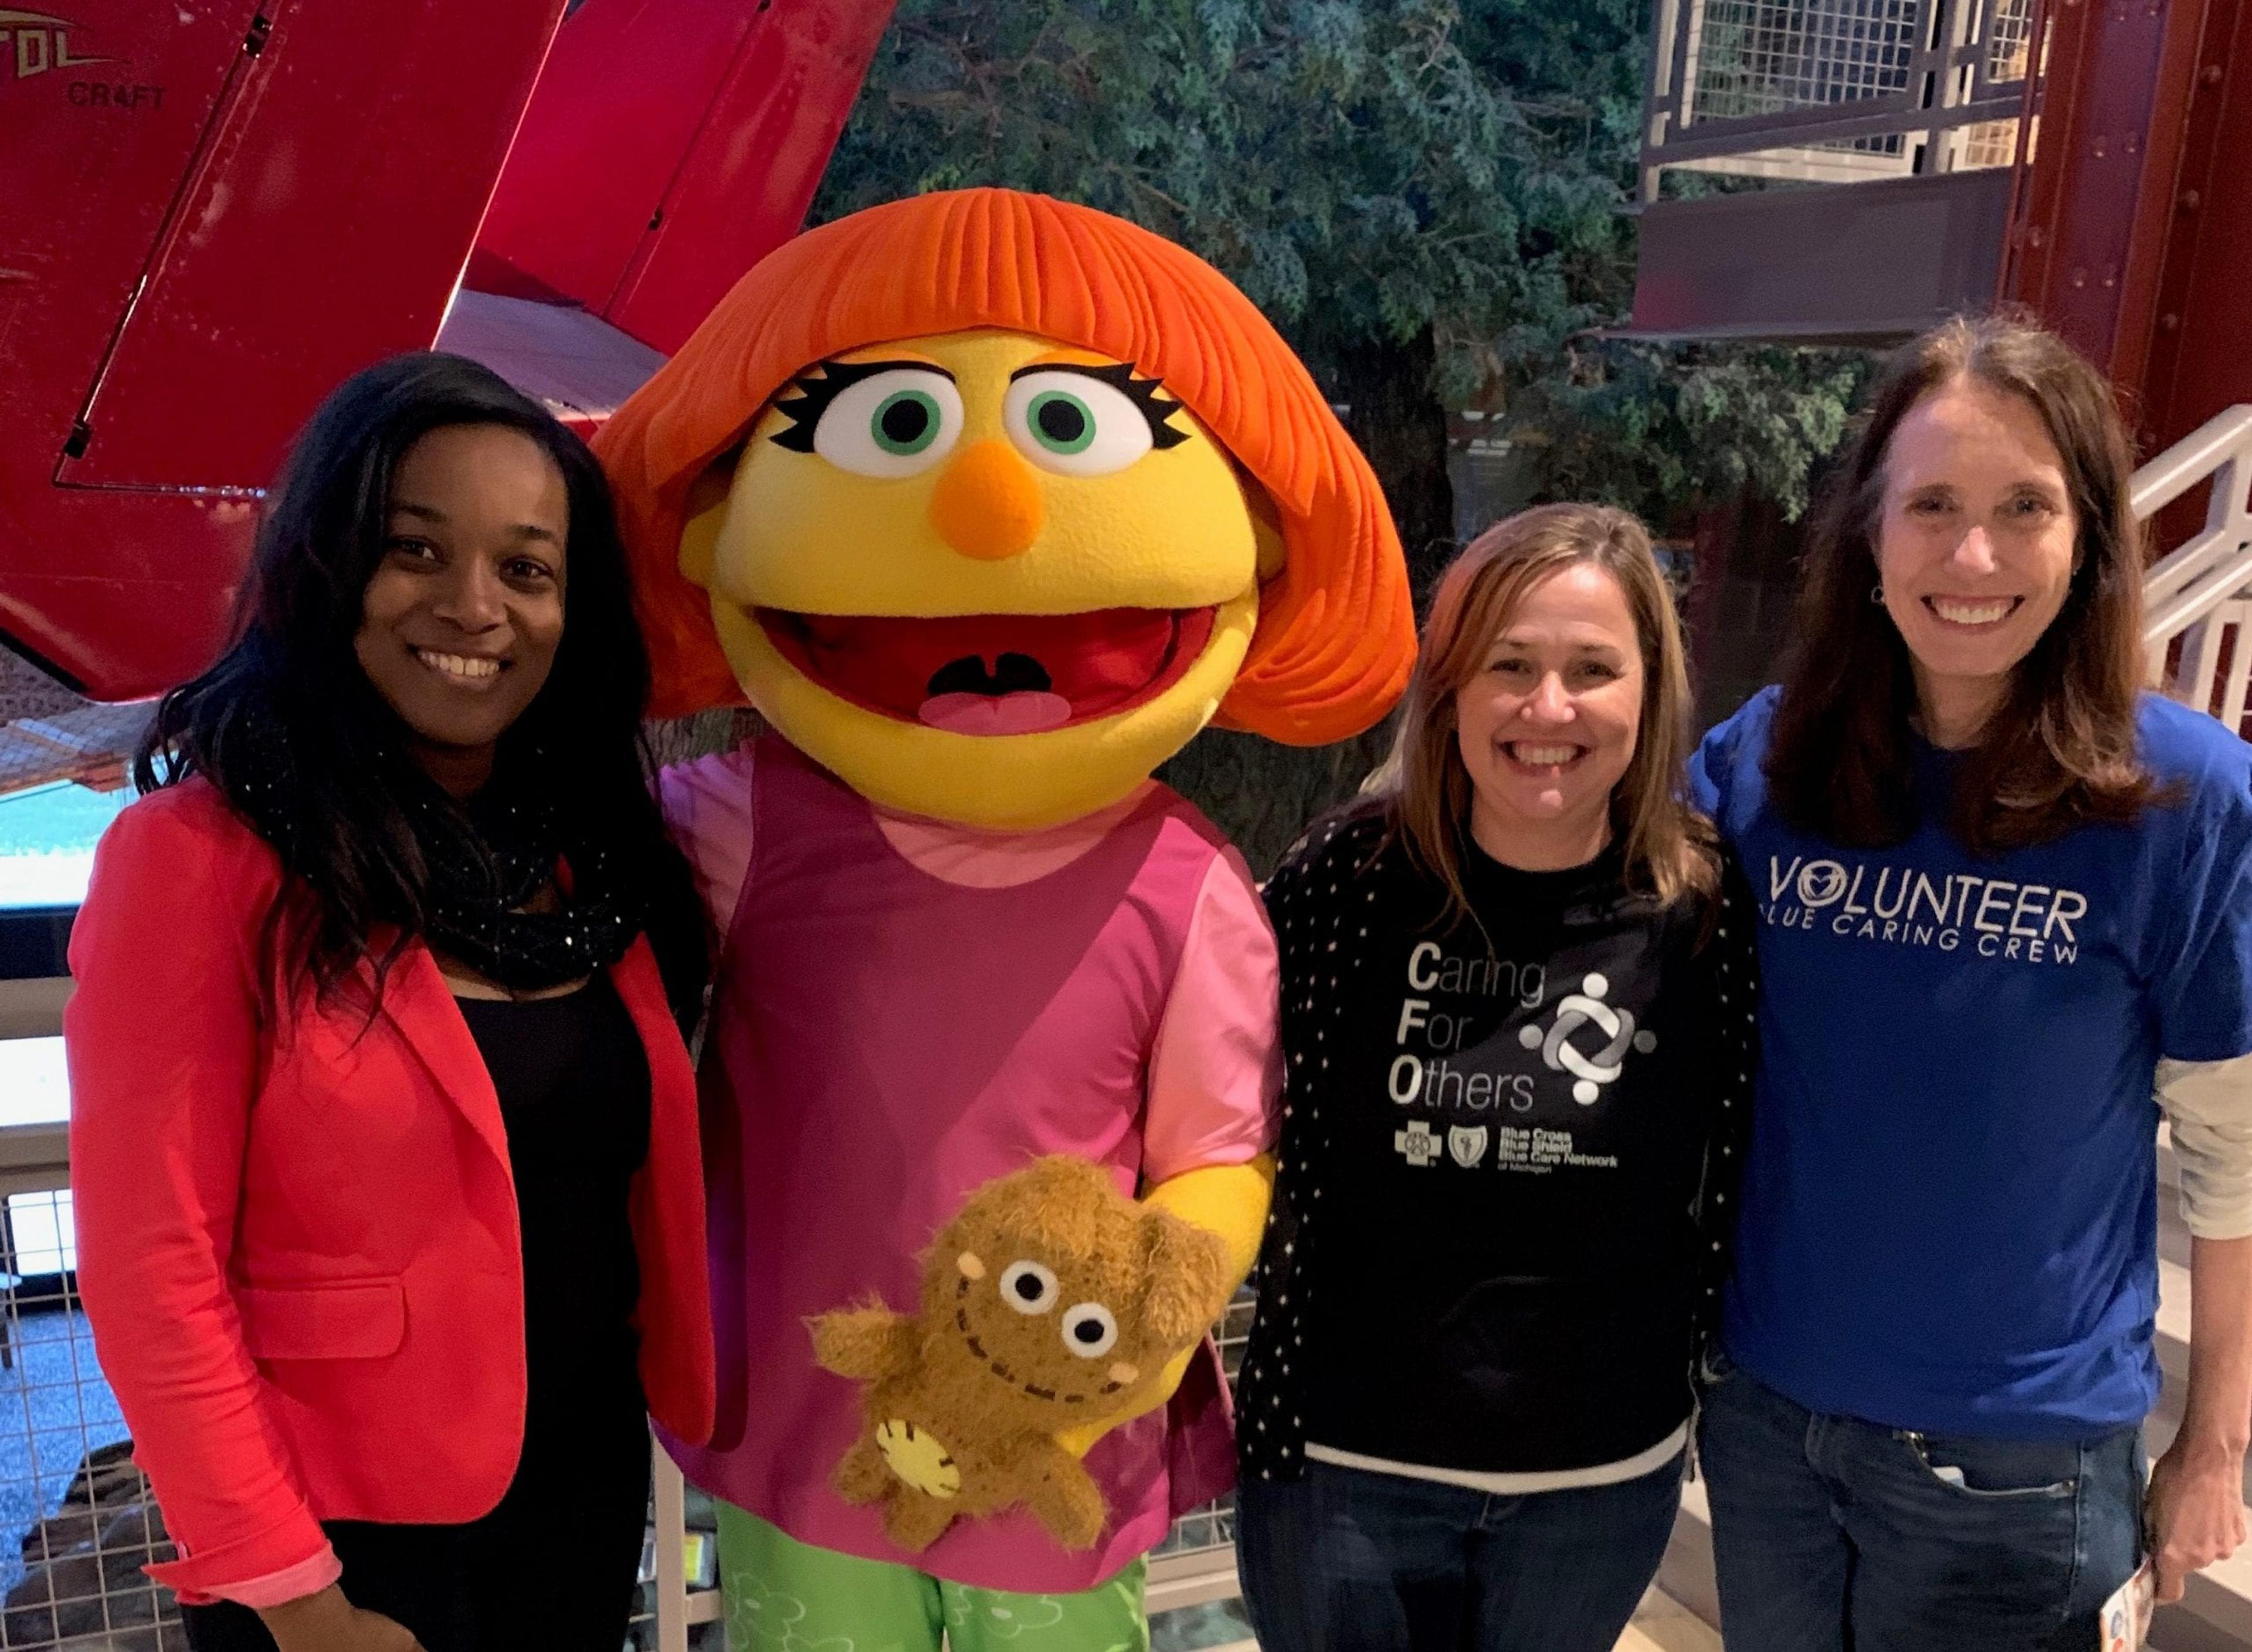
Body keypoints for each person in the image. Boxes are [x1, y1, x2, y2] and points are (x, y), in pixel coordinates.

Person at [592, 187, 1416, 1651]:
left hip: (1059, 1444)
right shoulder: (737, 820)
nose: (992, 508)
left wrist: (1157, 1318)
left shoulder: (1190, 881)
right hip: (806, 1428)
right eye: (897, 428)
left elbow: (1216, 1157)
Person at [65, 353, 717, 1652]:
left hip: (579, 1493)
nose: (476, 607)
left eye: (527, 568)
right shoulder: (203, 858)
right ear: (326, 566)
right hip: (337, 1539)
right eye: (417, 551)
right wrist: (296, 1596)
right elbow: (154, 1267)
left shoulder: (598, 857)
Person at [1691, 311, 2252, 1648]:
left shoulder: (2182, 799)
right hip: (1767, 1415)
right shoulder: (1765, 763)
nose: (1975, 553)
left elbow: (2233, 1149)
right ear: (1869, 537)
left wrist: (2215, 1439)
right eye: (1932, 504)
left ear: (2091, 543)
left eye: (2025, 508)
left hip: (2015, 1463)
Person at [1232, 503, 1759, 1652]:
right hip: (1342, 1464)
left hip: (1593, 1475)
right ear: (1451, 687)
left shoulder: (1709, 901)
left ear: (1649, 690)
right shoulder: (1345, 878)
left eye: (1592, 669)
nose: (1548, 707)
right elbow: (1228, 1117)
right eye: (1509, 665)